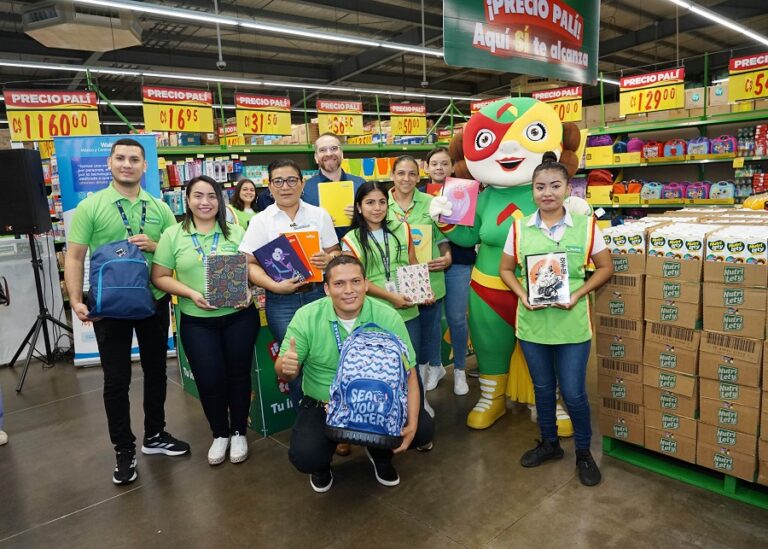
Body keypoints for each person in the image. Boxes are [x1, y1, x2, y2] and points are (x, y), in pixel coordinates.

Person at [65, 138, 190, 486]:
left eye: (135, 159)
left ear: (145, 166)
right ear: (109, 163)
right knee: (116, 380)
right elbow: (74, 256)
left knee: (156, 372)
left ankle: (155, 435)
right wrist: (76, 298)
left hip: (152, 300)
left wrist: (155, 246)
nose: (127, 164)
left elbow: (177, 252)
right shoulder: (92, 207)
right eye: (120, 158)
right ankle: (124, 448)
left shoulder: (160, 207)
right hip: (109, 307)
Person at [499, 152, 613, 487]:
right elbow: (506, 269)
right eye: (540, 187)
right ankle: (549, 443)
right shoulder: (519, 228)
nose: (547, 192)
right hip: (533, 325)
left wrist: (579, 293)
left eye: (554, 185)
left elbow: (606, 267)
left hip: (572, 324)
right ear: (532, 191)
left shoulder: (586, 226)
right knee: (543, 389)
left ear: (567, 188)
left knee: (575, 393)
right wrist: (522, 294)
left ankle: (582, 452)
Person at [276, 255, 434, 492]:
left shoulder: (387, 316)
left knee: (422, 430)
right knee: (306, 456)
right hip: (325, 404)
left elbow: (410, 374)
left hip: (378, 404)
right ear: (326, 289)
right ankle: (321, 466)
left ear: (365, 284)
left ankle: (380, 455)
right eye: (339, 284)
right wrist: (286, 369)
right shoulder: (307, 316)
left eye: (356, 281)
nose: (349, 290)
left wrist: (411, 424)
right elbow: (285, 371)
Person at [152, 175, 258, 466]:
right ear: (187, 200)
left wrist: (250, 291)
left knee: (238, 375)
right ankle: (219, 433)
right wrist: (189, 293)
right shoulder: (173, 235)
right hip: (197, 321)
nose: (205, 202)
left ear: (220, 200)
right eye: (198, 196)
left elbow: (256, 269)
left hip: (239, 317)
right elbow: (159, 277)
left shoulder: (237, 232)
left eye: (211, 196)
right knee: (209, 379)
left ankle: (238, 431)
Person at [240, 159, 341, 410]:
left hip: (318, 295)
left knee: (326, 356)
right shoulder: (261, 221)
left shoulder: (319, 215)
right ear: (270, 187)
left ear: (302, 183)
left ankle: (336, 418)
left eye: (292, 180)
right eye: (278, 181)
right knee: (293, 361)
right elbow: (248, 263)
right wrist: (274, 287)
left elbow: (336, 252)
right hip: (281, 302)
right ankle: (307, 420)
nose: (285, 186)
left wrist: (328, 258)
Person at [341, 182, 436, 422]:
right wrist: (391, 297)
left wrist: (424, 289)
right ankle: (383, 416)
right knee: (381, 369)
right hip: (374, 312)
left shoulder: (401, 229)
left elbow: (412, 262)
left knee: (409, 365)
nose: (377, 208)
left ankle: (417, 409)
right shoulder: (351, 239)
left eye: (382, 202)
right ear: (359, 208)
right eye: (370, 203)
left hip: (408, 310)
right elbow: (358, 280)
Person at [387, 155, 450, 413]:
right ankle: (400, 395)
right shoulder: (381, 203)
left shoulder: (431, 204)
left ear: (419, 176)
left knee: (426, 339)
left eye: (412, 173)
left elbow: (443, 236)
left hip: (429, 282)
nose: (406, 179)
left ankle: (420, 397)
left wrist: (447, 256)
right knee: (401, 342)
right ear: (392, 175)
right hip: (394, 286)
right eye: (401, 173)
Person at [423, 146, 475, 395]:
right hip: (428, 266)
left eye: (444, 163)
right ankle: (436, 366)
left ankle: (460, 371)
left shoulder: (465, 192)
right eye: (434, 164)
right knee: (431, 322)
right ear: (427, 168)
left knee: (456, 318)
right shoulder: (420, 196)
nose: (439, 168)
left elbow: (474, 228)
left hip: (460, 262)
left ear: (453, 167)